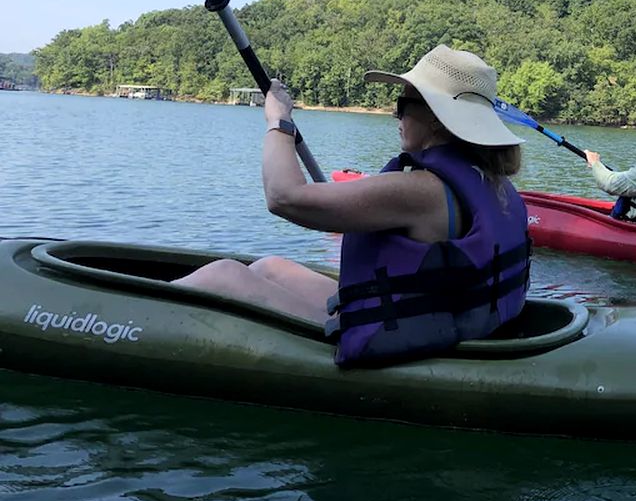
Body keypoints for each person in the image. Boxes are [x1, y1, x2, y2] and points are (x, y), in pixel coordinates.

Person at [173, 45, 530, 368]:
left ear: (436, 118)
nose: (397, 117)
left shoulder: (422, 191)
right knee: (270, 266)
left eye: (402, 105)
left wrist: (278, 120)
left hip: (405, 336)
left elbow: (283, 196)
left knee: (223, 275)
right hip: (446, 317)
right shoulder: (492, 182)